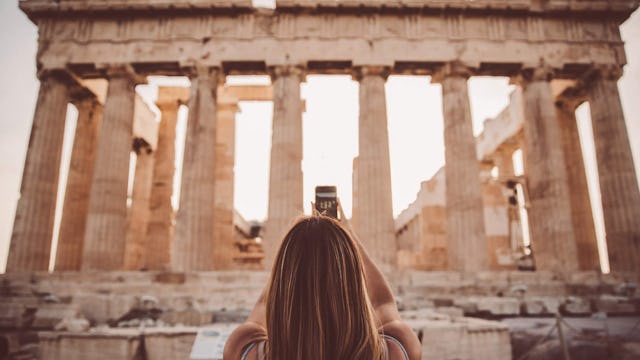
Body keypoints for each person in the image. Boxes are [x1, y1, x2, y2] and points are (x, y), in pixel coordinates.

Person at [223, 203, 422, 359]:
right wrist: (347, 234)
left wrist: (292, 260)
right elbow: (383, 302)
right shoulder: (397, 349)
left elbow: (262, 306)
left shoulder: (243, 349)